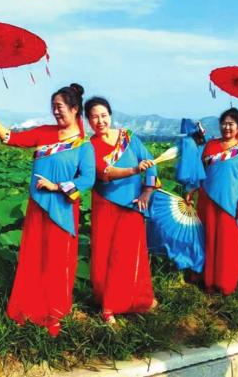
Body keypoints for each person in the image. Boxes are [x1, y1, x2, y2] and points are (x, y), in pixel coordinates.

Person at [0, 83, 95, 337]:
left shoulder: (84, 146)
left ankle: (54, 315)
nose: (56, 111)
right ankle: (25, 309)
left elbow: (88, 179)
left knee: (57, 262)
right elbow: (10, 138)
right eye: (53, 107)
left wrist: (57, 187)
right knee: (32, 258)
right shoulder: (44, 133)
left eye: (60, 107)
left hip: (63, 210)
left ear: (75, 109)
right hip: (37, 207)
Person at [84, 96, 158, 324]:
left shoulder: (128, 137)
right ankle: (109, 306)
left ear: (110, 115)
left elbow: (151, 163)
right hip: (105, 205)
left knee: (132, 253)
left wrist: (147, 192)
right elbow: (104, 172)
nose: (100, 121)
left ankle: (138, 299)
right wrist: (134, 170)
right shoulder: (89, 147)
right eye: (94, 117)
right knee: (107, 254)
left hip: (133, 204)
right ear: (88, 120)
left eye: (103, 115)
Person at [187, 108, 238, 295]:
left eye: (231, 124)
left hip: (230, 203)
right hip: (207, 200)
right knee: (207, 238)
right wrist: (191, 190)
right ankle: (207, 279)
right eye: (224, 123)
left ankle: (225, 282)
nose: (227, 127)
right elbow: (199, 170)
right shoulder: (210, 146)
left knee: (227, 243)